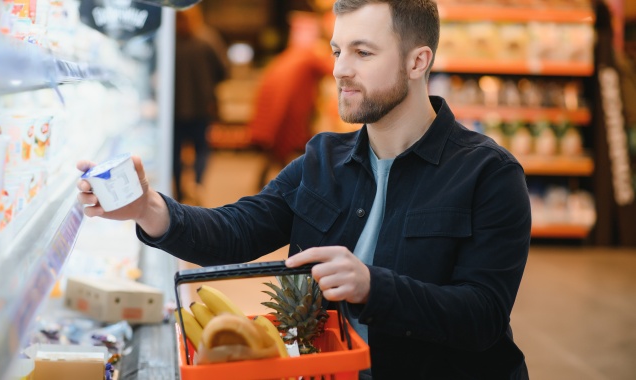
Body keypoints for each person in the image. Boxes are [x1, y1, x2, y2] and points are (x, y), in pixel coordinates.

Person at [77, 1, 531, 378]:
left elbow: (483, 316)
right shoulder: (322, 159)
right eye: (337, 51)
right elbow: (237, 230)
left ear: (418, 61)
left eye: (363, 53)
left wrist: (373, 286)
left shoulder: (489, 174)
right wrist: (148, 208)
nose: (340, 70)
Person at [247, 11, 334, 189]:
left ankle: (276, 185)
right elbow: (334, 70)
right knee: (294, 150)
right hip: (288, 115)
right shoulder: (308, 57)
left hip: (277, 115)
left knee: (279, 153)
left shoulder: (288, 57)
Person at [172, 9, 227, 203]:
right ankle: (197, 186)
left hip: (174, 108)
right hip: (202, 106)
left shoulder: (169, 42)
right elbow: (223, 71)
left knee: (174, 152)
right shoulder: (208, 39)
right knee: (202, 150)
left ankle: (177, 193)